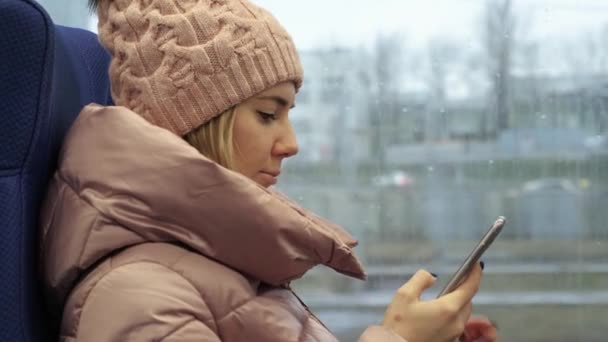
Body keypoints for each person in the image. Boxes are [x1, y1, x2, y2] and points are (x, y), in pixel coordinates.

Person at [39, 0, 498, 341]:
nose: (291, 144)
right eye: (267, 114)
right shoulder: (138, 295)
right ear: (196, 122)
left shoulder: (218, 264)